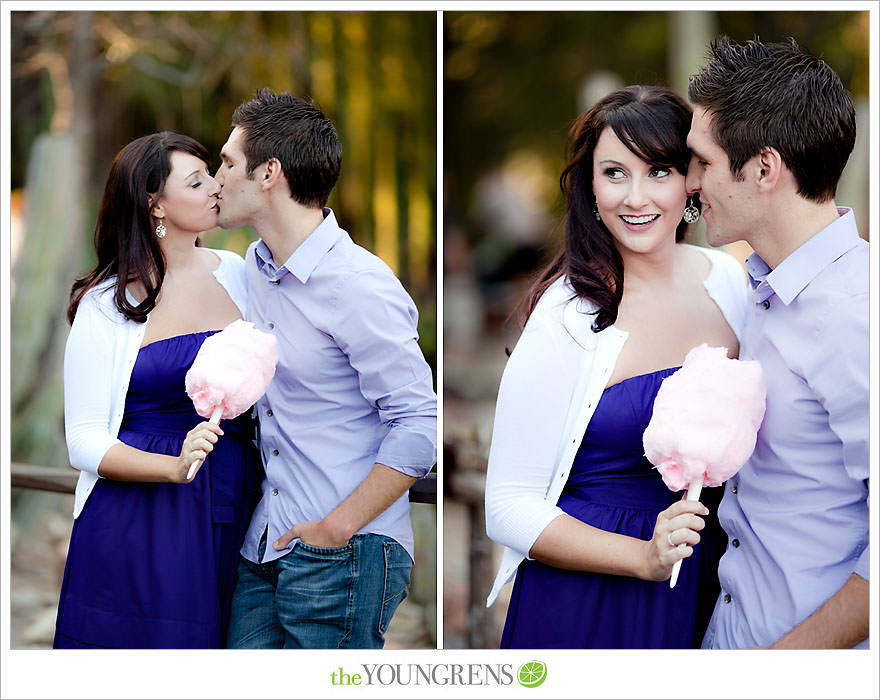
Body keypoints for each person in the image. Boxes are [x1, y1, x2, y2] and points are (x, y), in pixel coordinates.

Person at [483, 85, 750, 649]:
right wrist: (642, 557)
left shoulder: (731, 282)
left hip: (707, 575)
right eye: (614, 173)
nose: (635, 197)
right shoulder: (568, 314)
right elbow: (507, 507)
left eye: (658, 172)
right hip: (592, 592)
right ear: (590, 185)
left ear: (691, 179)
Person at [215, 89, 437, 649]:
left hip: (344, 550)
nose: (217, 178)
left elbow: (418, 425)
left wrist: (335, 531)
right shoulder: (257, 268)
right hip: (265, 543)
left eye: (226, 163)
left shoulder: (358, 285)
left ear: (269, 173)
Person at [685, 37, 869, 649]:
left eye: (703, 162)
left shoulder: (854, 312)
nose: (690, 183)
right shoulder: (760, 287)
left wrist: (782, 666)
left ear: (764, 169)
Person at [55, 132, 263, 648]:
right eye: (196, 181)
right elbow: (83, 440)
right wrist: (172, 468)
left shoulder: (238, 274)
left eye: (211, 173)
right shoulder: (107, 302)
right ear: (155, 205)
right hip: (141, 515)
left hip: (235, 495)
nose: (217, 185)